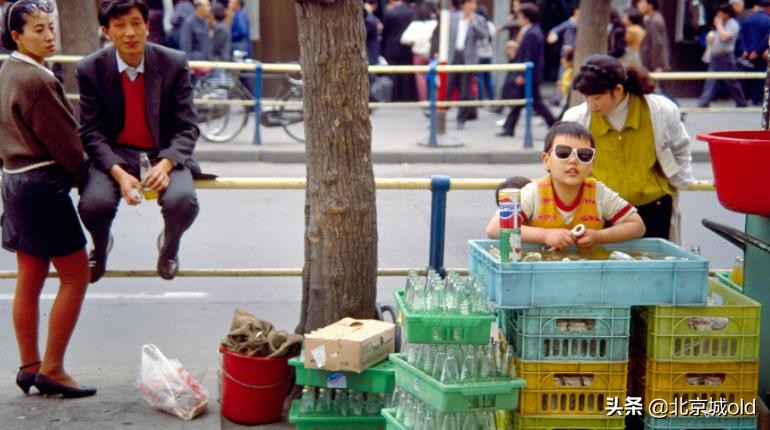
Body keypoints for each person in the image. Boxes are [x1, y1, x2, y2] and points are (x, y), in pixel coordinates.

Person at [0, 0, 96, 398]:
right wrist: (85, 173)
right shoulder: (38, 81)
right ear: (17, 36)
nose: (49, 35)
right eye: (38, 29)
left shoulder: (6, 71)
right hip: (41, 184)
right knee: (76, 274)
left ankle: (29, 365)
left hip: (13, 181)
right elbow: (68, 147)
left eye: (50, 27)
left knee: (31, 276)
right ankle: (53, 368)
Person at [77, 0, 204, 282]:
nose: (129, 33)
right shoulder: (91, 69)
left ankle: (169, 248)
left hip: (163, 151)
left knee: (183, 201)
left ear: (148, 27)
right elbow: (90, 132)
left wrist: (168, 163)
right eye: (119, 26)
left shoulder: (173, 62)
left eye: (136, 23)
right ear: (106, 32)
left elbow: (188, 126)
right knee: (93, 204)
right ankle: (100, 245)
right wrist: (118, 173)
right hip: (114, 154)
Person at [563, 55, 695, 242]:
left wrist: (677, 183)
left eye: (597, 98)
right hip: (603, 209)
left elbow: (680, 147)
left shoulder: (661, 110)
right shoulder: (575, 118)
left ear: (618, 90)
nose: (591, 104)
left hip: (654, 205)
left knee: (655, 266)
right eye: (586, 97)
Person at [486, 122, 645, 250]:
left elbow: (637, 226)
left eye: (584, 155)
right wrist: (544, 235)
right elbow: (495, 227)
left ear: (592, 164)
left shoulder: (599, 192)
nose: (573, 161)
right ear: (546, 160)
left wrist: (599, 236)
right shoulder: (534, 192)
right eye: (563, 153)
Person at [497, 3, 556, 137]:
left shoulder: (532, 34)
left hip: (530, 75)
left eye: (520, 16)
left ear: (527, 18)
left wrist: (523, 75)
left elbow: (530, 56)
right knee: (519, 102)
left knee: (537, 104)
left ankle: (554, 124)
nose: (518, 19)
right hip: (529, 75)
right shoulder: (531, 31)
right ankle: (509, 127)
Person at [446, 0, 489, 128]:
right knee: (448, 88)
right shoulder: (453, 17)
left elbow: (483, 36)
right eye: (471, 3)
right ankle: (439, 114)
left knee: (465, 91)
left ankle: (461, 119)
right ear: (464, 4)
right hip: (454, 56)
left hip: (469, 58)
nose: (474, 6)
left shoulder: (479, 19)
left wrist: (473, 23)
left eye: (475, 4)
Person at [697, 4, 747, 108]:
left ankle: (741, 101)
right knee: (710, 80)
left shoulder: (733, 24)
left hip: (726, 57)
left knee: (731, 81)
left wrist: (719, 25)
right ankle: (704, 102)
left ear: (727, 14)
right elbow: (713, 36)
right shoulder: (718, 24)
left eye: (721, 13)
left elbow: (725, 37)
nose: (718, 15)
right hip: (715, 56)